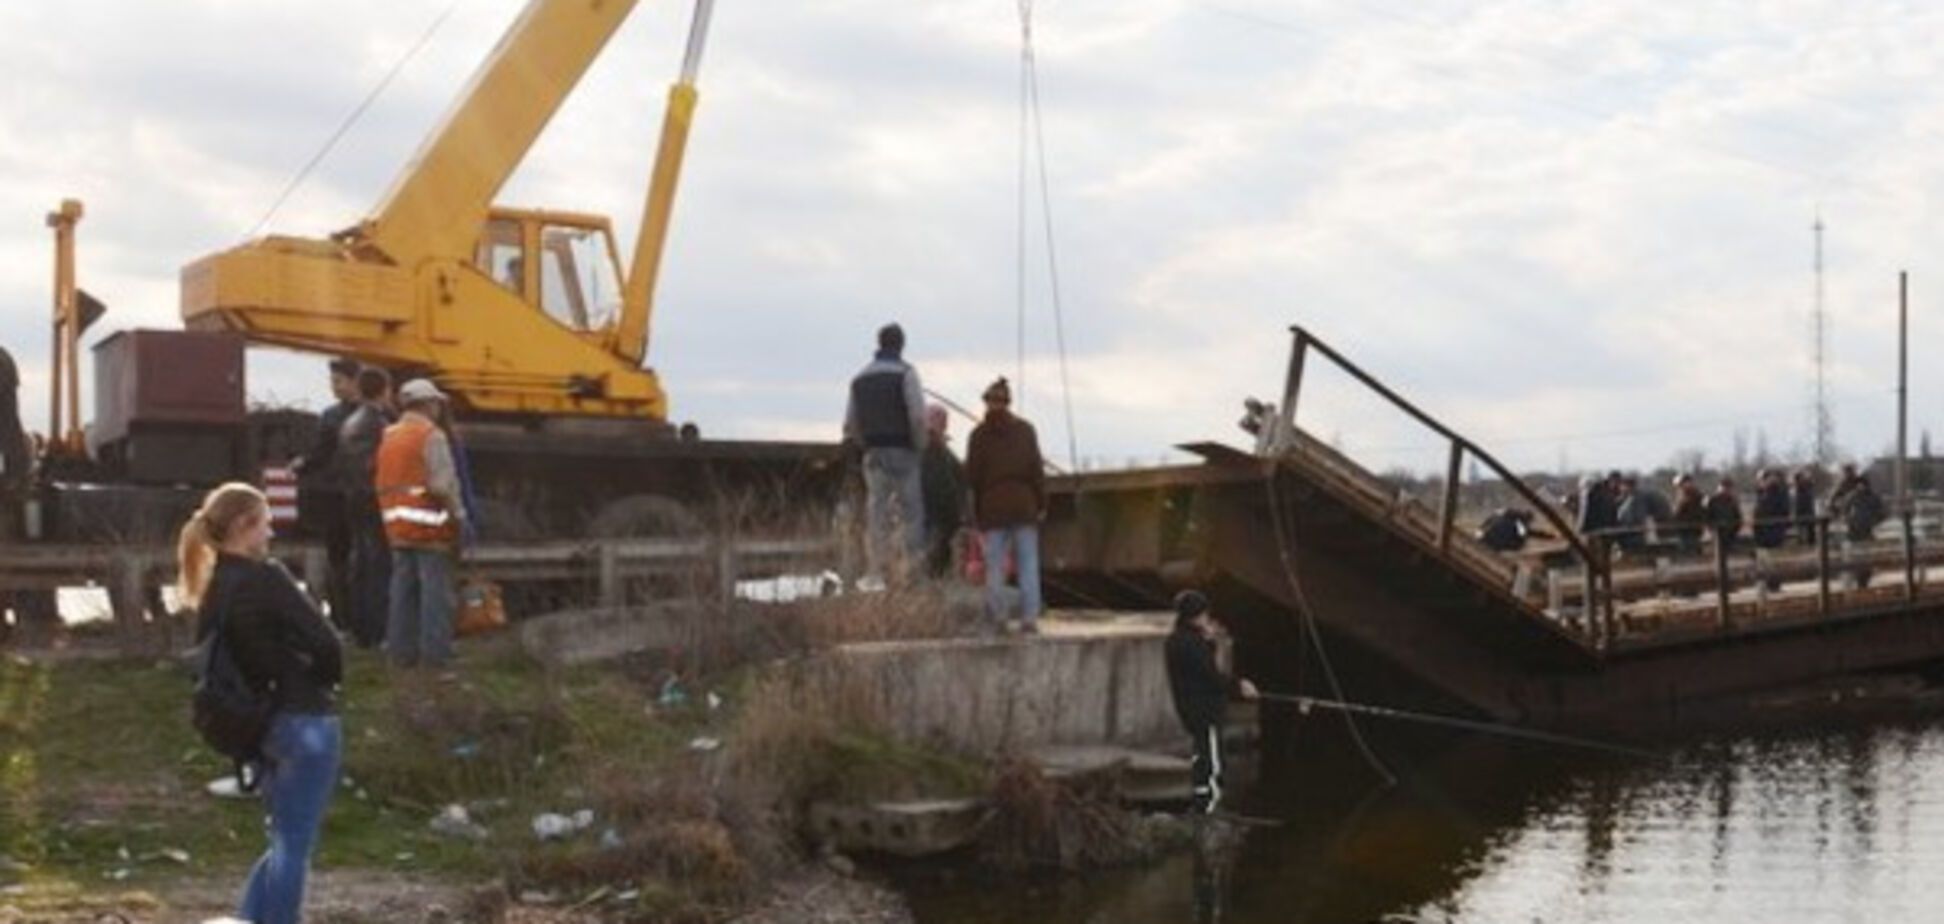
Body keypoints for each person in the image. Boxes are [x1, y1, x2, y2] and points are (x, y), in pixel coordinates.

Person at [178, 482, 343, 924]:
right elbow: (326, 643)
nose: (270, 532)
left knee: (283, 839)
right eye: (265, 522)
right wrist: (321, 680)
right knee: (294, 845)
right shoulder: (266, 578)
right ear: (243, 526)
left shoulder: (215, 586)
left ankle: (250, 919)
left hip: (261, 724)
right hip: (305, 716)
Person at [376, 379, 468, 669]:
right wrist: (459, 517)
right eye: (437, 403)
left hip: (396, 525)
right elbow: (441, 485)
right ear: (429, 404)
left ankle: (401, 654)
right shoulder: (431, 435)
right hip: (430, 526)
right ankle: (436, 657)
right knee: (434, 594)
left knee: (402, 592)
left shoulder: (389, 434)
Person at [842, 324, 927, 583]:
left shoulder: (859, 379)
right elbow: (917, 417)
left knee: (876, 512)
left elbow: (850, 425)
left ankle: (876, 573)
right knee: (911, 513)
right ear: (901, 344)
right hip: (903, 451)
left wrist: (866, 443)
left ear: (879, 343)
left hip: (873, 454)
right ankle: (911, 572)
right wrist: (919, 445)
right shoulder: (907, 374)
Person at [1164, 590, 1258, 815]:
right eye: (1205, 614)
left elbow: (1200, 669)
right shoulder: (1193, 644)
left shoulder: (1175, 640)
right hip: (1204, 709)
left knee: (1201, 754)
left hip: (1188, 707)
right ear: (1197, 615)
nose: (1208, 618)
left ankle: (1201, 800)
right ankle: (1209, 807)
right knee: (1212, 760)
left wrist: (1209, 642)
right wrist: (1239, 686)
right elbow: (1211, 675)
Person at [966, 377, 1045, 633]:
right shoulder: (1026, 430)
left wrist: (976, 512)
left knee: (995, 566)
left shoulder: (978, 436)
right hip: (1024, 505)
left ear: (987, 403)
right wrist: (1041, 504)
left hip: (993, 508)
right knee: (1028, 565)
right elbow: (1036, 471)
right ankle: (1029, 618)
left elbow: (972, 478)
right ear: (1008, 403)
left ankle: (998, 617)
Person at [291, 358, 361, 637]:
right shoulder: (379, 415)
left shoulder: (332, 417)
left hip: (338, 496)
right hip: (361, 496)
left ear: (355, 381)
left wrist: (301, 465)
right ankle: (358, 622)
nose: (334, 387)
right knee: (358, 562)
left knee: (339, 560)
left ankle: (343, 622)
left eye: (338, 381)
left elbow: (320, 454)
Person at [335, 367, 394, 648]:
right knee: (380, 566)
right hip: (376, 500)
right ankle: (380, 631)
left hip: (354, 499)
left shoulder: (350, 423)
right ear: (385, 391)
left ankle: (360, 630)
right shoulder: (381, 425)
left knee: (360, 565)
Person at [919, 403, 967, 579]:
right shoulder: (938, 451)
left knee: (935, 551)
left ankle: (930, 585)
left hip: (934, 513)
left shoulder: (923, 448)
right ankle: (932, 585)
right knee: (936, 553)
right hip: (939, 512)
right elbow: (954, 479)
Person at [1751, 469, 1791, 590]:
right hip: (1772, 531)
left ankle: (1771, 584)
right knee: (1769, 560)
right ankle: (1772, 584)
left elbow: (1760, 513)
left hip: (1768, 532)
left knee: (1768, 560)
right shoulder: (1772, 493)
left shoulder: (1771, 495)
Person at [1667, 474, 1706, 556]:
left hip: (1692, 526)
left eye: (1681, 484)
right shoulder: (1681, 495)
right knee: (1685, 547)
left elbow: (1702, 508)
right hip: (1683, 527)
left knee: (1691, 547)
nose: (1680, 487)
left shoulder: (1696, 495)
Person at [1706, 477, 1744, 552]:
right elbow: (1707, 516)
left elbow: (1738, 516)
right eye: (1724, 486)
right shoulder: (1712, 500)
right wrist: (1712, 528)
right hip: (1716, 531)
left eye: (1728, 487)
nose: (1726, 489)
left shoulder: (1733, 500)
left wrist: (1734, 529)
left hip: (1730, 532)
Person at [1792, 467, 1819, 545]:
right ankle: (1802, 543)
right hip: (1800, 512)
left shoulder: (1808, 486)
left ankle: (1810, 543)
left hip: (1809, 512)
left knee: (1810, 532)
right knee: (1801, 531)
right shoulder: (1796, 489)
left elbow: (1812, 484)